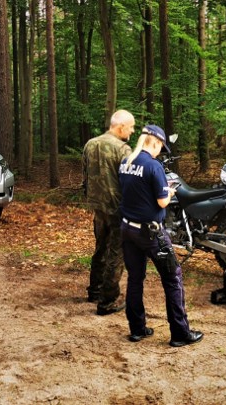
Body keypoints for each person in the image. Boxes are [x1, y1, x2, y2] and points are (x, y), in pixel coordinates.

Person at [118, 124, 203, 347]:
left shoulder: (125, 162)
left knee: (135, 279)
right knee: (173, 278)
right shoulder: (154, 166)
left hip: (127, 229)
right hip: (151, 233)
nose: (160, 152)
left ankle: (137, 329)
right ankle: (180, 333)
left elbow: (131, 192)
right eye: (160, 147)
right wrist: (170, 191)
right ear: (154, 142)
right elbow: (163, 201)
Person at [82, 110, 134, 315]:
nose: (132, 130)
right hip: (117, 208)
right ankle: (107, 301)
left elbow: (85, 175)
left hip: (97, 207)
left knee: (100, 247)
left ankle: (94, 290)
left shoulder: (90, 144)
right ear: (120, 126)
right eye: (131, 126)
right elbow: (131, 181)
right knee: (116, 252)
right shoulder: (122, 149)